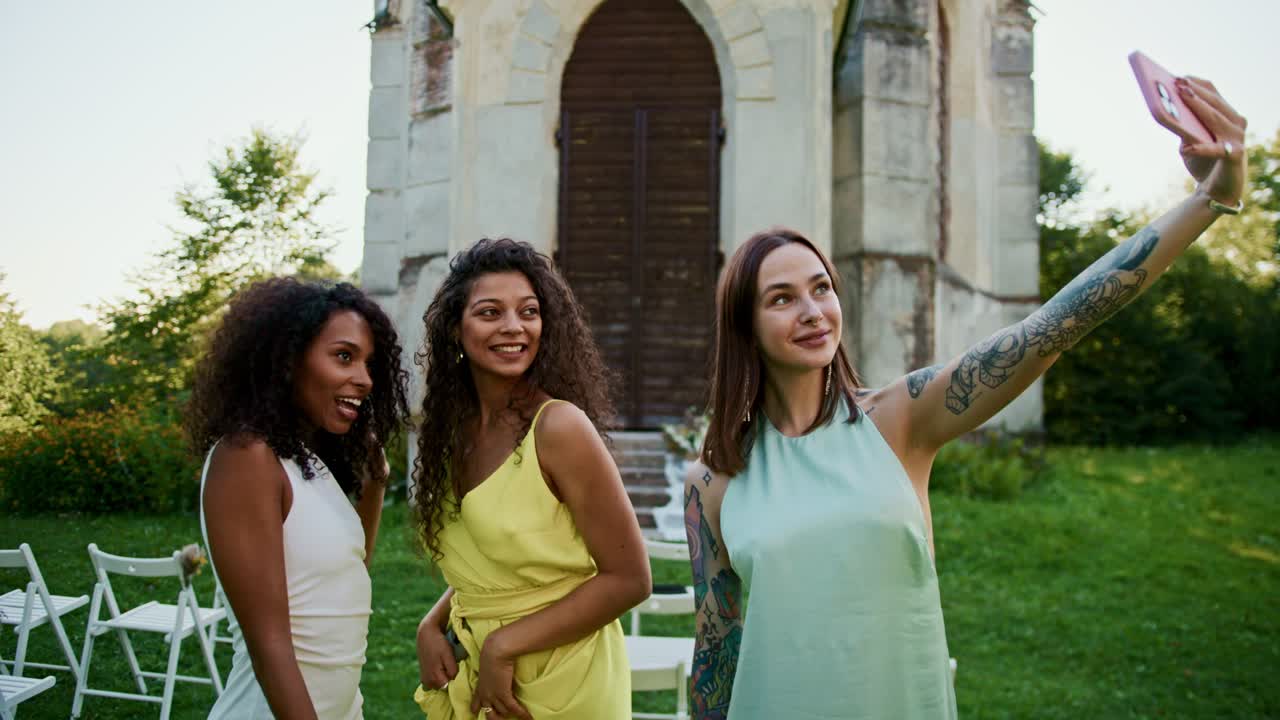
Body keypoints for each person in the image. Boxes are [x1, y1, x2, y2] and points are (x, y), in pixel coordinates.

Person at [684, 76, 1249, 719]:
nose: (813, 311)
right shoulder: (713, 481)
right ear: (745, 326)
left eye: (822, 288)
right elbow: (716, 650)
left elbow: (1057, 323)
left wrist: (1208, 200)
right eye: (782, 298)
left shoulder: (901, 418)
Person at [411, 238, 651, 719]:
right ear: (455, 329)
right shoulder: (455, 432)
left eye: (529, 311)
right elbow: (504, 564)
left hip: (565, 678)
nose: (513, 326)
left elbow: (629, 579)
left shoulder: (559, 428)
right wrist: (432, 623)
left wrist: (504, 646)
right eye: (490, 312)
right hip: (480, 670)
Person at [189, 278, 410, 720]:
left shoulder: (306, 463)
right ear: (288, 359)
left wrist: (375, 483)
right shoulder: (247, 457)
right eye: (344, 356)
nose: (364, 379)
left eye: (369, 364)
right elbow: (270, 646)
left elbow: (343, 585)